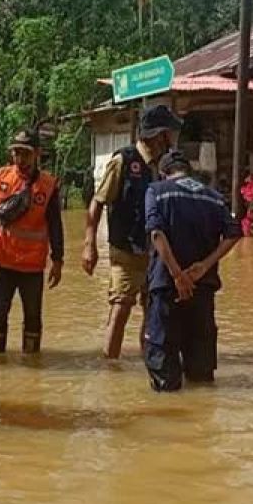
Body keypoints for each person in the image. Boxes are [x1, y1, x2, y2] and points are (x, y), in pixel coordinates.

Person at [81, 104, 183, 358]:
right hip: (125, 252)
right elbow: (97, 202)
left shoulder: (163, 167)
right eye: (169, 133)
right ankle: (109, 368)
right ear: (159, 135)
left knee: (153, 311)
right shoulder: (123, 161)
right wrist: (89, 244)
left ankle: (148, 364)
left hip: (154, 253)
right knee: (121, 309)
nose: (171, 139)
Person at [143, 149, 243, 392]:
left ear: (163, 173)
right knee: (201, 376)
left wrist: (178, 275)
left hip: (167, 289)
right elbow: (234, 233)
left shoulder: (156, 191)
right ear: (189, 172)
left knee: (165, 377)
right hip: (203, 291)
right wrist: (205, 265)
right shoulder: (214, 197)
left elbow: (156, 233)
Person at [0, 129, 64, 354]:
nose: (20, 159)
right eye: (16, 153)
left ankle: (32, 364)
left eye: (25, 154)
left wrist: (58, 260)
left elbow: (55, 225)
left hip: (32, 267)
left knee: (33, 318)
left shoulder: (48, 185)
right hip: (2, 261)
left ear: (37, 154)